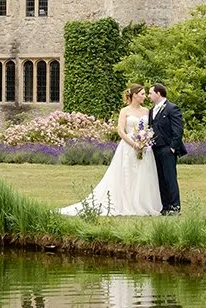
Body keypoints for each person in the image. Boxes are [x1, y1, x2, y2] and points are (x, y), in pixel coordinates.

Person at [59, 85, 164, 217]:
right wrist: (133, 144)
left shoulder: (147, 111)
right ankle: (126, 203)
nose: (145, 96)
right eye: (142, 94)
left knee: (143, 175)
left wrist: (145, 140)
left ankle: (141, 203)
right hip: (128, 145)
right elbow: (120, 130)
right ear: (135, 95)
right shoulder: (125, 111)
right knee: (126, 173)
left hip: (144, 146)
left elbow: (150, 128)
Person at [147, 83, 186, 215]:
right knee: (160, 178)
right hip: (155, 148)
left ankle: (175, 207)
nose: (149, 95)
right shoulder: (152, 111)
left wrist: (173, 148)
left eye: (151, 92)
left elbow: (178, 129)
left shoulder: (172, 108)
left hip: (167, 149)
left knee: (170, 178)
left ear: (158, 93)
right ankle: (165, 206)